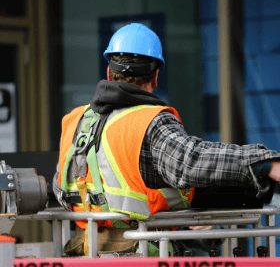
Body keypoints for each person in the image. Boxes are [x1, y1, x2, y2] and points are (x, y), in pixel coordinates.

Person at [53, 23, 280, 256]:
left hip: (84, 252)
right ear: (156, 76)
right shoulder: (150, 121)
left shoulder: (75, 121)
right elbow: (190, 162)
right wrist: (265, 163)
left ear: (110, 73)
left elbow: (61, 187)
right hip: (140, 253)